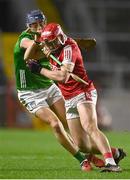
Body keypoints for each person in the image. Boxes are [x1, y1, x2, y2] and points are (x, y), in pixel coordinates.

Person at [13, 9, 109, 172]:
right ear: (28, 26)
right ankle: (82, 160)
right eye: (34, 24)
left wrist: (73, 43)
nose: (39, 27)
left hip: (49, 86)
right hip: (29, 92)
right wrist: (77, 42)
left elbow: (56, 45)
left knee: (73, 126)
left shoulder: (49, 37)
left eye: (41, 23)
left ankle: (107, 154)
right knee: (55, 124)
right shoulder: (25, 39)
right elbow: (35, 51)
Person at [25, 22, 126, 172]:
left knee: (90, 127)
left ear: (60, 37)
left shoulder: (68, 48)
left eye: (53, 41)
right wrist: (38, 42)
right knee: (81, 145)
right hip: (68, 97)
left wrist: (40, 70)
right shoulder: (51, 47)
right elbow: (28, 56)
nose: (51, 45)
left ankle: (112, 163)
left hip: (82, 91)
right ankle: (115, 153)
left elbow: (62, 76)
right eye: (48, 42)